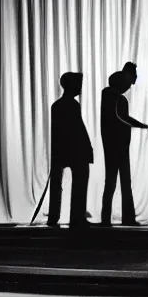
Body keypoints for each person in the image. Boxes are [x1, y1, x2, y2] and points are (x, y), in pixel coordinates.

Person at [100, 70, 148, 226]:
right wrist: (145, 126)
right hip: (119, 145)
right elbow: (123, 118)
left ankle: (107, 219)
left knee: (111, 181)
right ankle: (127, 218)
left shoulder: (107, 95)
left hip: (111, 144)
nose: (130, 87)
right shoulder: (118, 98)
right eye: (128, 84)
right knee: (123, 181)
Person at [48, 72, 94, 228]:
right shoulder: (73, 105)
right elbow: (78, 129)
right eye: (78, 84)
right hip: (76, 150)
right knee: (80, 183)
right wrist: (87, 149)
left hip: (60, 150)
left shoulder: (56, 105)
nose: (80, 88)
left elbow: (56, 132)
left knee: (56, 184)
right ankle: (77, 217)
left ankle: (53, 217)